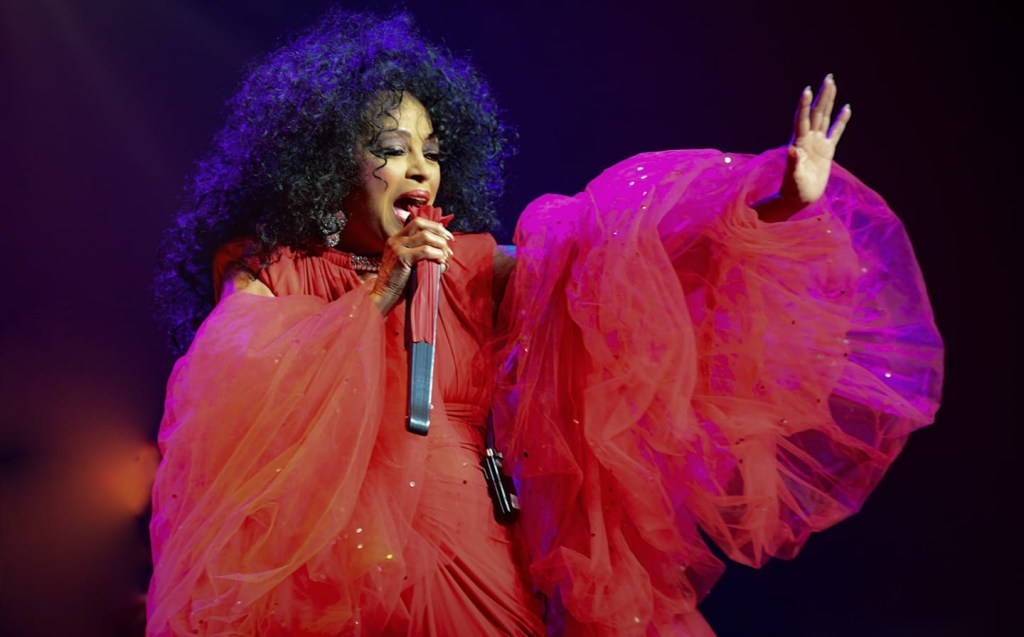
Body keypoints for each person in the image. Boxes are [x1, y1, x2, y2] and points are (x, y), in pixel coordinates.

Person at [147, 8, 943, 637]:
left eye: (432, 149)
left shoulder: (467, 267)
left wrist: (768, 200)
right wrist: (377, 297)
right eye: (391, 147)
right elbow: (233, 383)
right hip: (326, 559)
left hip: (469, 542)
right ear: (326, 161)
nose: (421, 166)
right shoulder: (270, 270)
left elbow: (617, 259)